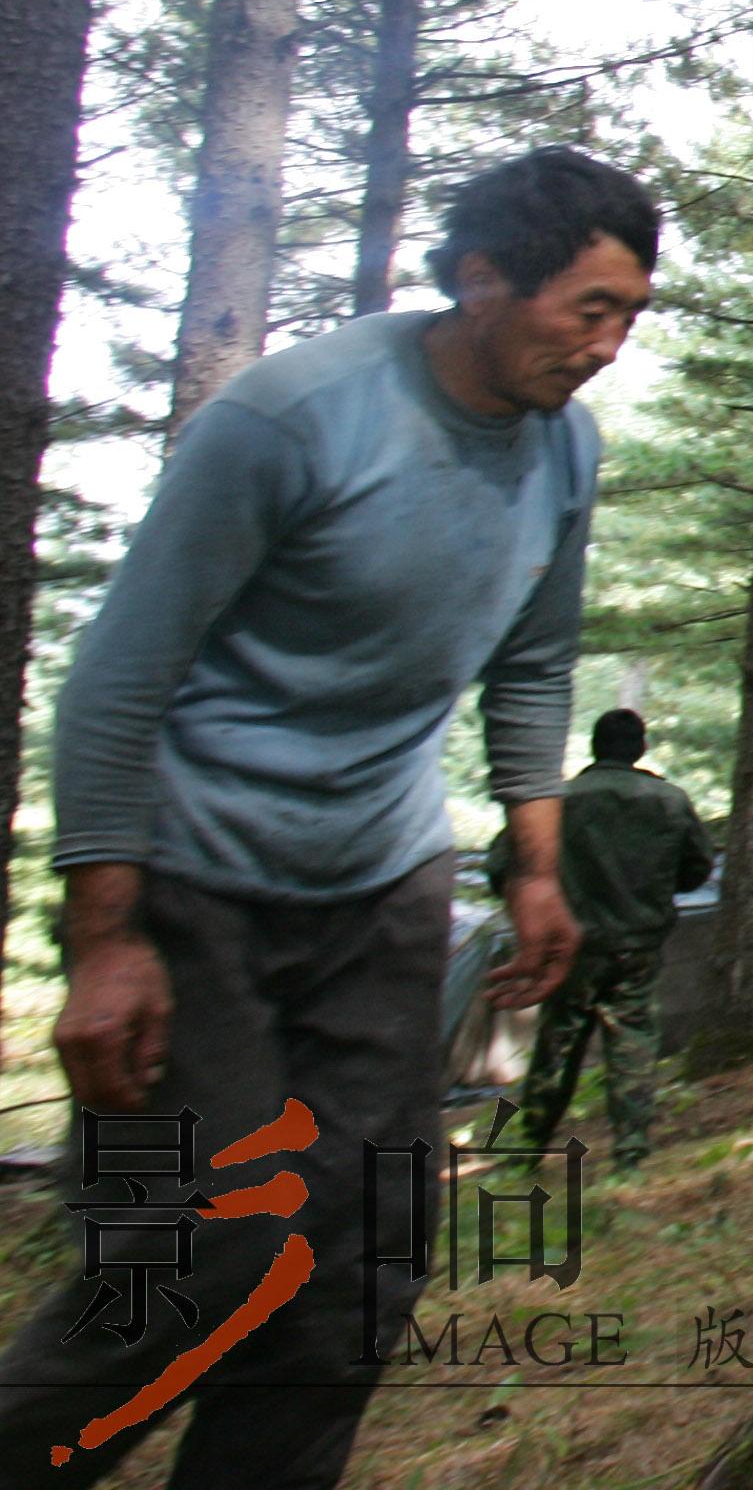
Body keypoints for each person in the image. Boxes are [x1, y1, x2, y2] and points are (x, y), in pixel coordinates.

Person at [0, 145, 656, 1490]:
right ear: (482, 280)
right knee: (211, 1241)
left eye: (632, 315)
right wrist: (104, 942)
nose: (609, 344)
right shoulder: (297, 420)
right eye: (590, 309)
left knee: (365, 1253)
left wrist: (536, 872)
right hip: (198, 880)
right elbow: (116, 683)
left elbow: (531, 669)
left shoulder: (564, 451)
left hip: (380, 884)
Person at [490, 705, 713, 1168]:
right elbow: (697, 868)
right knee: (633, 1044)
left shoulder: (559, 802)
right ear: (642, 749)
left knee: (558, 1045)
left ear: (594, 747)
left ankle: (526, 1150)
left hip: (570, 950)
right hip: (638, 944)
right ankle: (631, 1152)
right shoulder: (669, 800)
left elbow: (501, 864)